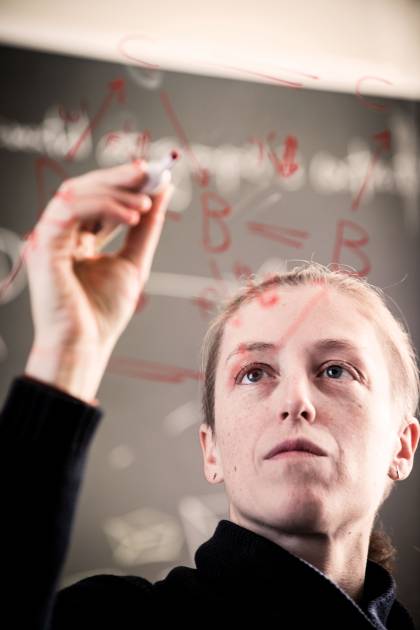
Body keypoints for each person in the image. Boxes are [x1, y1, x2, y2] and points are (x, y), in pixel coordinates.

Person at [0, 160, 418, 630]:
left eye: (336, 370)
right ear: (211, 449)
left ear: (402, 445)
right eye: (255, 374)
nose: (295, 400)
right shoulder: (110, 624)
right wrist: (68, 349)